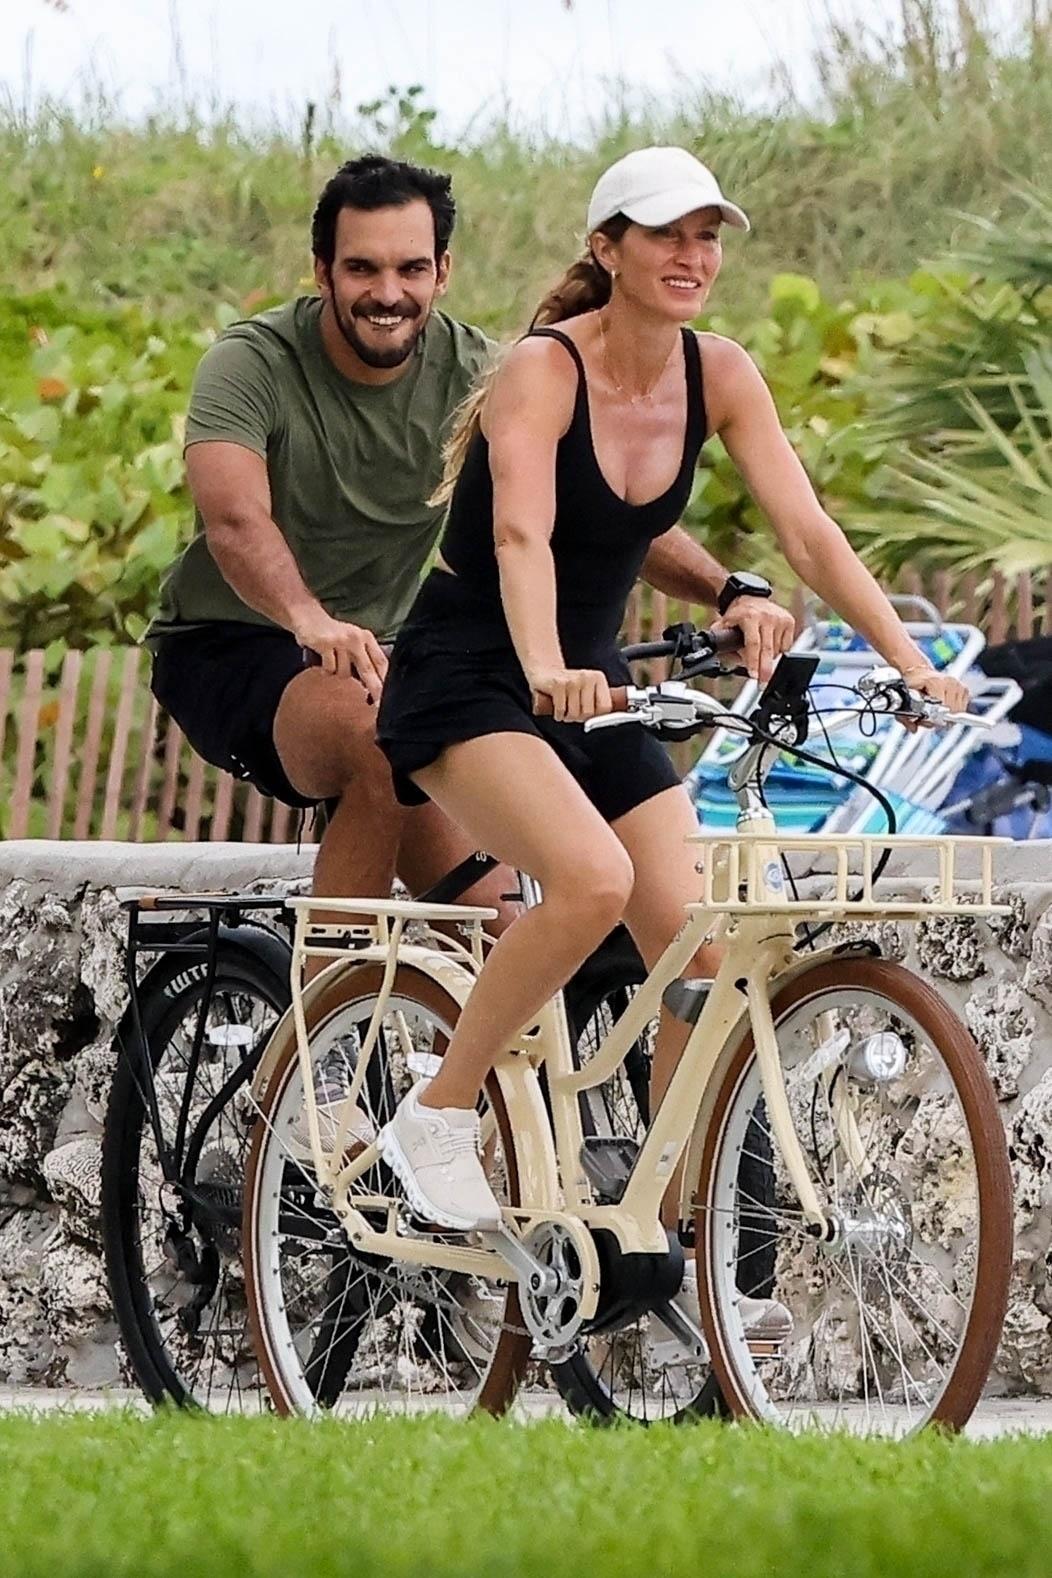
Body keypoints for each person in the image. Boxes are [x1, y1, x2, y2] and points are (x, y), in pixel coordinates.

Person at [373, 144, 970, 1254]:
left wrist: (907, 659)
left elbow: (806, 534)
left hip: (585, 691)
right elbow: (520, 531)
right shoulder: (542, 371)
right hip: (471, 681)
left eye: (706, 236)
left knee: (692, 956)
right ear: (607, 250)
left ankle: (661, 1237)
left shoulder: (719, 372)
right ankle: (437, 1115)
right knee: (590, 880)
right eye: (664, 235)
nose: (691, 255)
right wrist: (546, 660)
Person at [147, 151, 790, 931]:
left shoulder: (482, 368)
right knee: (372, 739)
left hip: (390, 657)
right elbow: (236, 522)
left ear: (443, 271)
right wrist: (311, 622)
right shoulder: (251, 363)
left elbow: (588, 515)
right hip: (241, 642)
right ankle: (320, 1030)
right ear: (322, 272)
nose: (389, 294)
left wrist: (728, 589)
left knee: (497, 933)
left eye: (411, 269)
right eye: (362, 269)